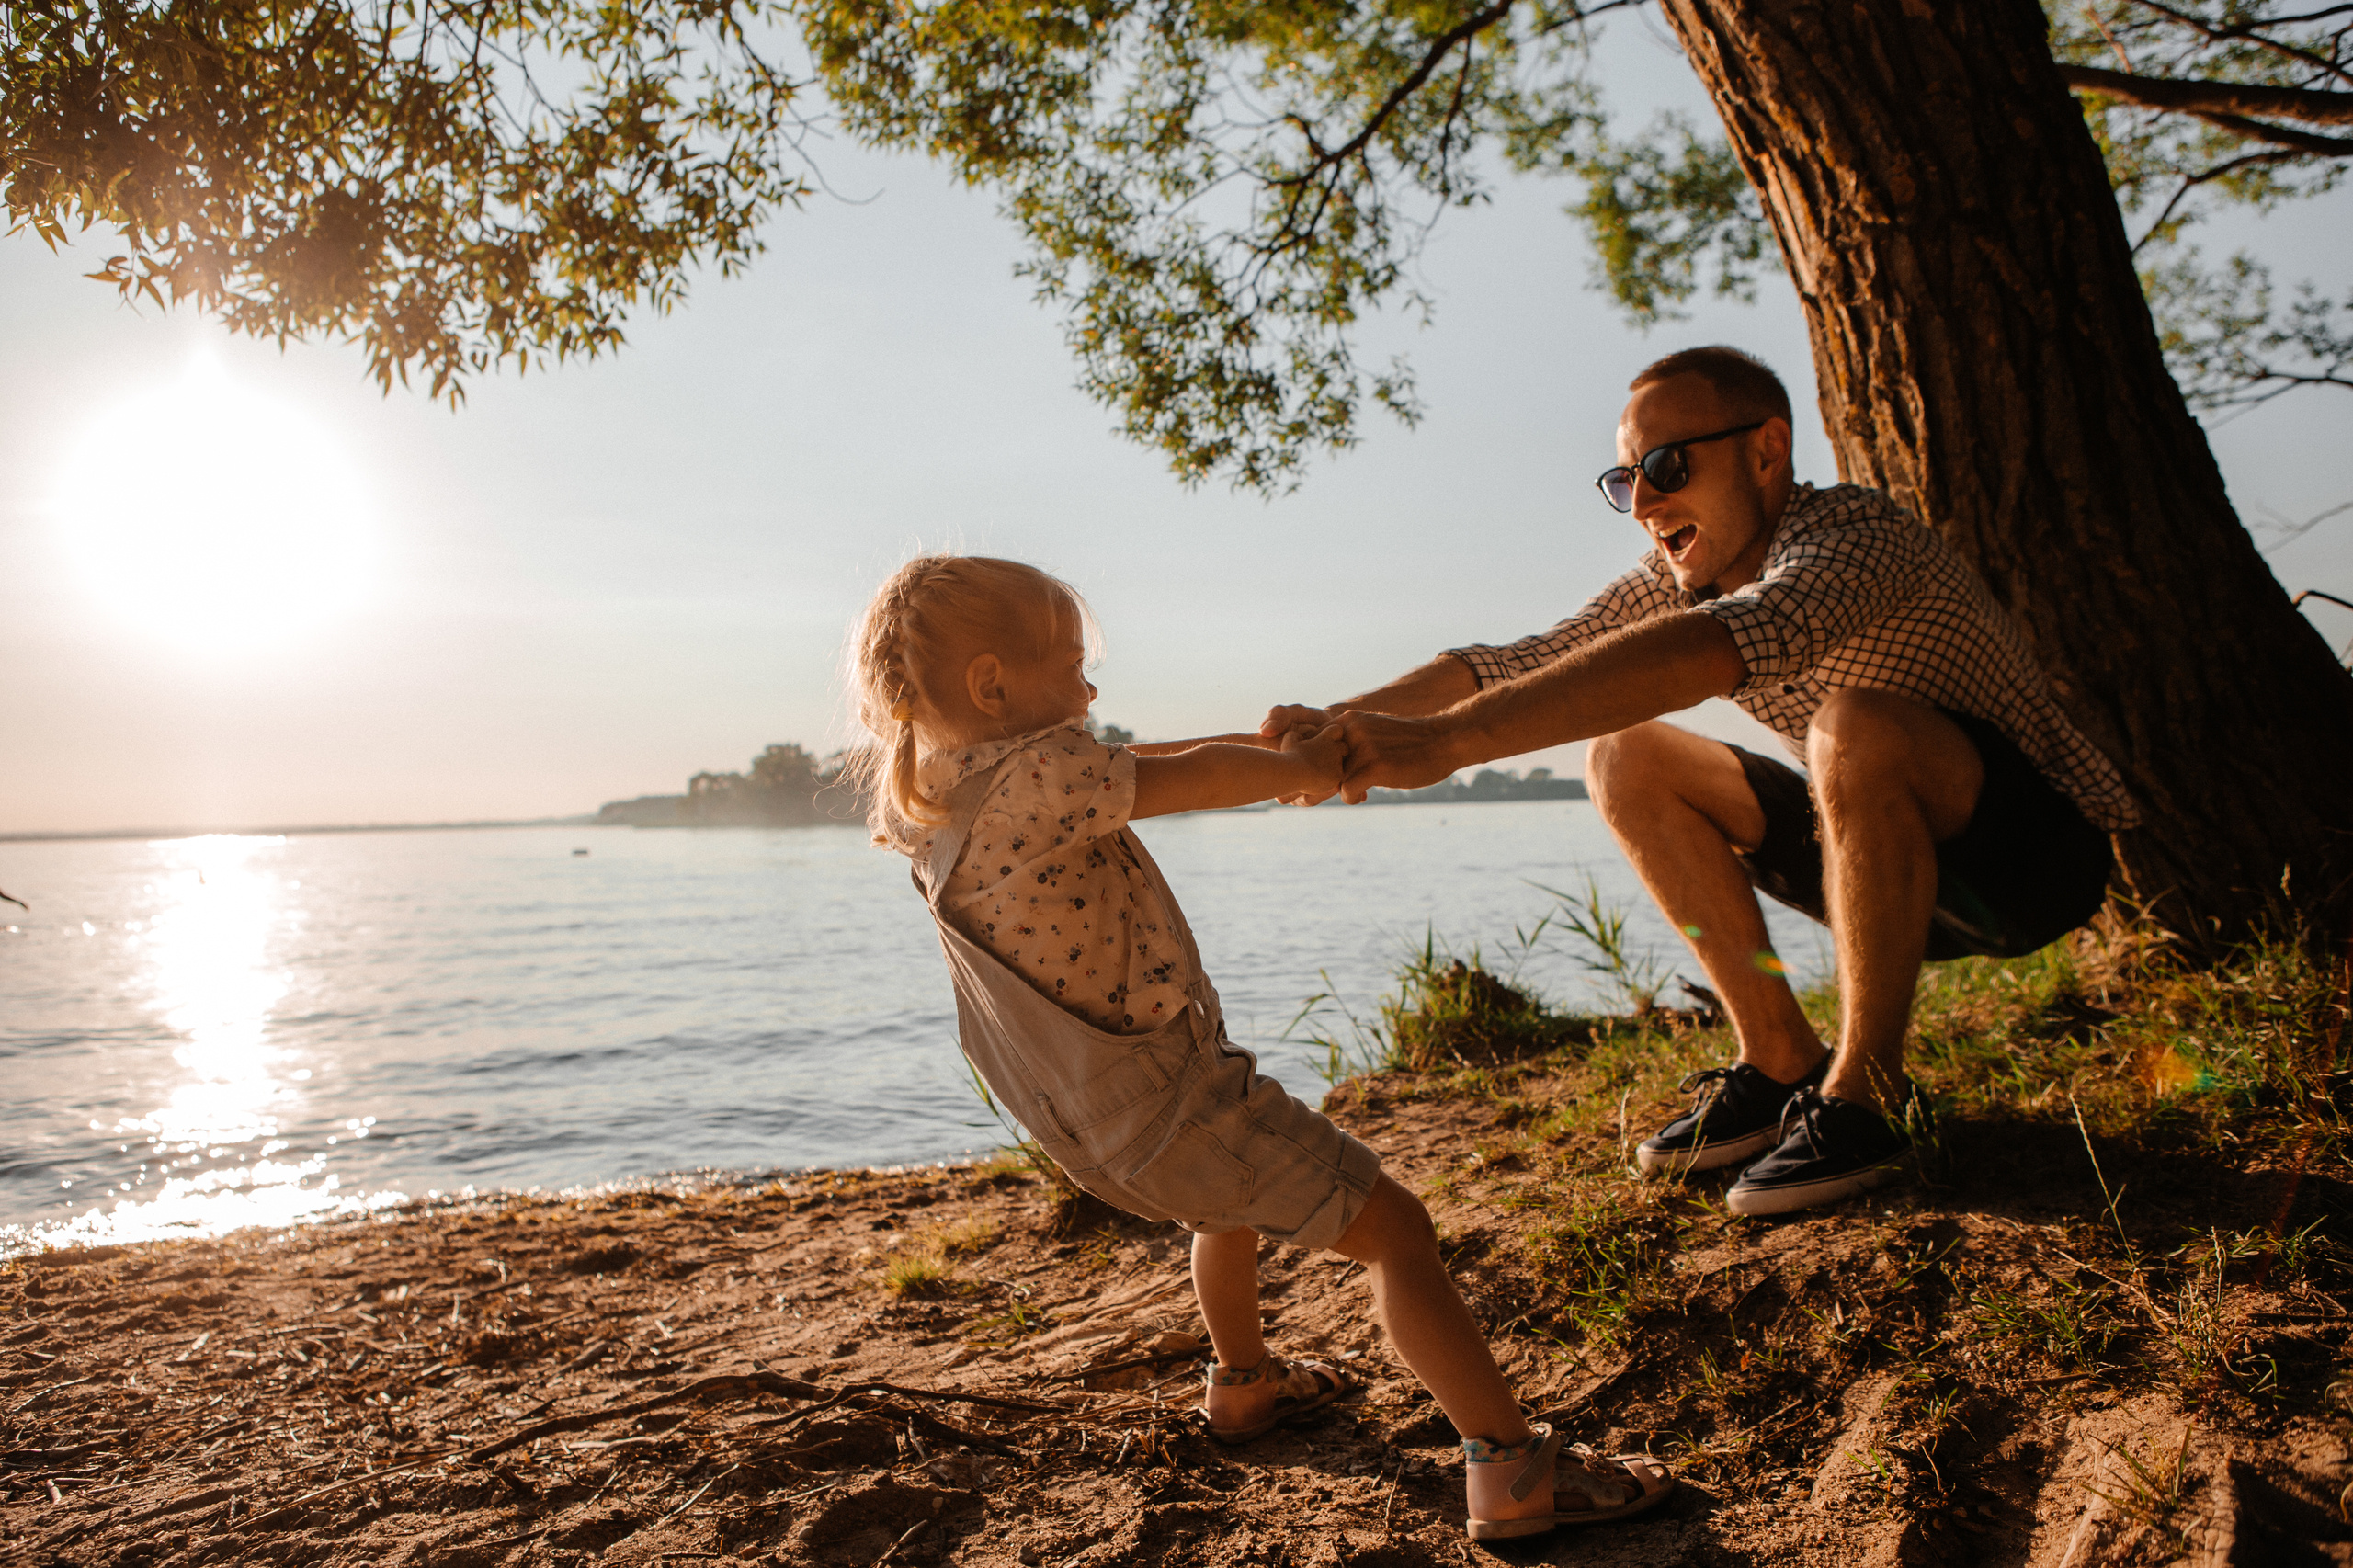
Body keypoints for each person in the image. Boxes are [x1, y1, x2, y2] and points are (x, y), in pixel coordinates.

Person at [848, 555, 1674, 1540]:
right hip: (1173, 1099)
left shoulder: (934, 797)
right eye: (1072, 666)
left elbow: (1148, 755)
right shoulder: (1043, 774)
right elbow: (1188, 778)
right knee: (1398, 1232)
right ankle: (1511, 1466)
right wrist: (1297, 769)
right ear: (990, 684)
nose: (1090, 689)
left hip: (1082, 1117)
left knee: (1223, 1204)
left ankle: (1242, 1385)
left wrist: (1259, 737)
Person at [1265, 347, 2137, 1218]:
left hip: (2033, 862)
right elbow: (1528, 660)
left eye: (1665, 468)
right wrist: (1338, 726)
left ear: (1767, 451)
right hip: (1879, 864)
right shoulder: (1684, 572)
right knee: (1624, 753)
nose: (1642, 503)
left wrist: (1449, 744)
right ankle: (1778, 1058)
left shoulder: (1855, 537)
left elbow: (1719, 646)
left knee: (1852, 725)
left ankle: (1870, 1098)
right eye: (1623, 481)